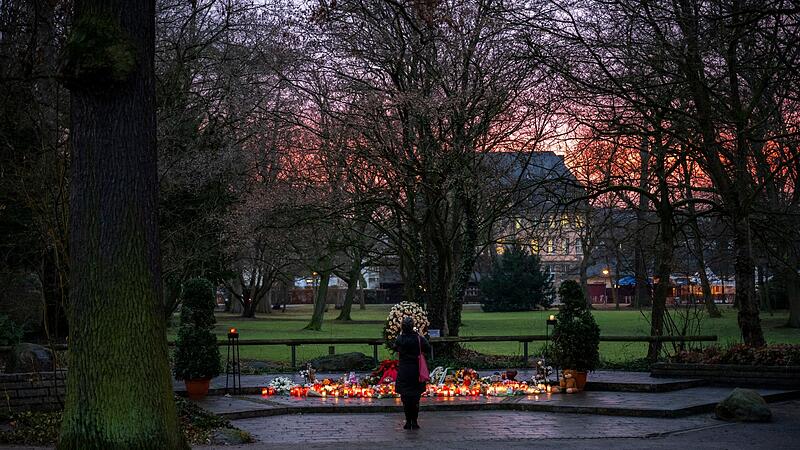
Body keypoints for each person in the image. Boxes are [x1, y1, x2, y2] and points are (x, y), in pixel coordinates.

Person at [394, 316, 431, 430]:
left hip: (404, 370)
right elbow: (428, 348)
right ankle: (414, 421)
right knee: (415, 398)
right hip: (416, 370)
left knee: (405, 398)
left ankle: (407, 421)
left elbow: (395, 348)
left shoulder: (400, 339)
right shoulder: (419, 339)